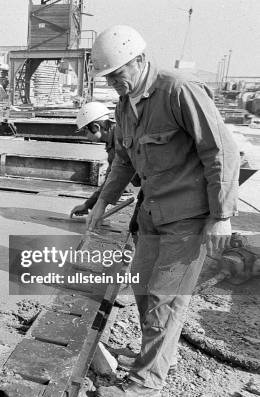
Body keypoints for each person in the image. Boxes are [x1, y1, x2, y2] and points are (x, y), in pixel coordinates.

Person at [86, 26, 239, 396]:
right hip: (153, 214)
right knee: (141, 285)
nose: (112, 84)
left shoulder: (179, 90)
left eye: (117, 75)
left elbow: (221, 151)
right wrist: (102, 202)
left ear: (139, 60)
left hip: (189, 217)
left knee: (164, 299)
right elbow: (123, 160)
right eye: (107, 78)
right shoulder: (125, 105)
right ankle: (149, 357)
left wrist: (221, 216)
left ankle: (147, 383)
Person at [70, 102, 143, 238]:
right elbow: (111, 178)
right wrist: (89, 204)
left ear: (96, 127)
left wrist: (96, 205)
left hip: (157, 187)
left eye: (86, 131)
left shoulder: (120, 140)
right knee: (136, 227)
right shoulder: (113, 141)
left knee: (138, 228)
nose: (86, 136)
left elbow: (116, 177)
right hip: (149, 186)